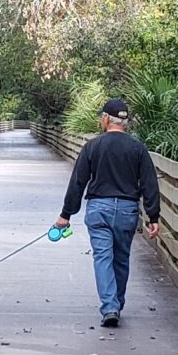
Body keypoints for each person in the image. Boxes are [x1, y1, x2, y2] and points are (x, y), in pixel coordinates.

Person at [54, 97, 161, 328]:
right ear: (125, 122)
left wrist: (65, 215)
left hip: (99, 209)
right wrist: (153, 216)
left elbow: (78, 182)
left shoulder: (93, 146)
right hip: (127, 210)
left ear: (105, 119)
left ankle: (110, 306)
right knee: (121, 258)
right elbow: (150, 184)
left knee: (103, 257)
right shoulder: (138, 149)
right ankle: (116, 304)